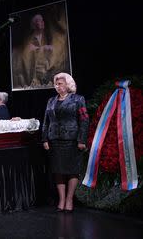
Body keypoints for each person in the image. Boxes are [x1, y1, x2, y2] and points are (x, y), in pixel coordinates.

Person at [42, 72, 89, 212]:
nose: (57, 86)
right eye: (56, 84)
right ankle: (61, 200)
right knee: (58, 171)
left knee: (72, 171)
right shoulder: (51, 101)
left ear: (68, 84)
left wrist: (81, 139)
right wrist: (44, 138)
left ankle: (69, 200)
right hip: (55, 140)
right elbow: (46, 121)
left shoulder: (78, 99)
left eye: (60, 83)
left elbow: (84, 120)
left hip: (72, 140)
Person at [12, 13, 68, 89]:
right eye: (38, 21)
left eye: (42, 20)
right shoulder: (29, 39)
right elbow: (26, 52)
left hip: (47, 71)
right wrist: (42, 48)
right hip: (34, 73)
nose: (42, 22)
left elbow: (57, 49)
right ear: (33, 25)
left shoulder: (49, 36)